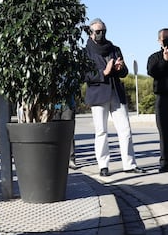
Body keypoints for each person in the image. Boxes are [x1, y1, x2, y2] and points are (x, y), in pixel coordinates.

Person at [84, 18, 145, 177]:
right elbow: (85, 75)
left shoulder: (114, 49)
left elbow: (124, 73)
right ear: (91, 33)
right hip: (98, 95)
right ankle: (103, 165)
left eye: (103, 31)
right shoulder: (86, 52)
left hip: (116, 93)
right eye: (98, 31)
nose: (101, 34)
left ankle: (129, 164)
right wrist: (104, 72)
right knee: (101, 131)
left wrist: (120, 68)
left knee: (125, 129)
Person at [147, 28, 168, 173]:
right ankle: (165, 161)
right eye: (164, 39)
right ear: (159, 41)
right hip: (162, 98)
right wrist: (165, 61)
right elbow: (152, 71)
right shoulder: (154, 57)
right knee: (164, 131)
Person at [53, 97, 77, 169]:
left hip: (68, 103)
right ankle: (56, 158)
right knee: (54, 131)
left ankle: (71, 158)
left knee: (68, 131)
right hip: (54, 102)